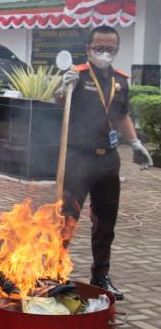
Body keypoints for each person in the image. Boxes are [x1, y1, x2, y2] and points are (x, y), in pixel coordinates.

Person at [57, 25, 153, 301]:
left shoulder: (121, 80)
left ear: (117, 50)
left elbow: (122, 116)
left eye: (110, 49)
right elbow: (58, 102)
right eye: (99, 48)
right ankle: (56, 271)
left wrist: (135, 142)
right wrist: (62, 88)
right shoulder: (77, 75)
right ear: (88, 48)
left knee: (105, 222)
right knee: (67, 217)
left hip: (108, 160)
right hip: (77, 157)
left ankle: (100, 276)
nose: (104, 53)